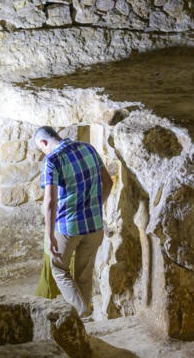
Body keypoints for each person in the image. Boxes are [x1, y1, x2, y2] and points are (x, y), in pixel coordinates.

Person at [34, 125, 113, 320]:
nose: (43, 152)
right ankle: (85, 322)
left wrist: (50, 234)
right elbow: (108, 183)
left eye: (40, 148)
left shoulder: (51, 160)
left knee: (59, 269)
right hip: (94, 226)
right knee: (84, 276)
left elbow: (50, 201)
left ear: (44, 142)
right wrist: (96, 206)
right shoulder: (88, 148)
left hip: (68, 228)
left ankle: (82, 311)